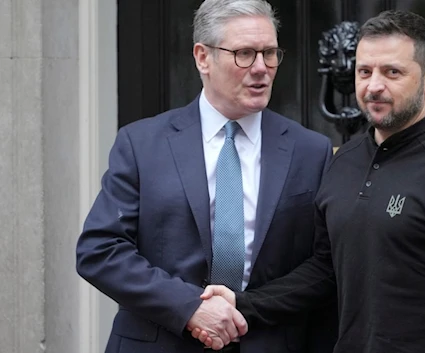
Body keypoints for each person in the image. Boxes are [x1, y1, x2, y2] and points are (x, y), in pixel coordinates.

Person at [197, 10, 425, 353]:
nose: (374, 86)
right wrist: (243, 303)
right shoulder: (343, 161)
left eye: (393, 72)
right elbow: (324, 270)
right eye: (364, 71)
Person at [75, 0, 336, 352]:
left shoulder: (311, 151)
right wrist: (190, 308)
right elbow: (100, 250)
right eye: (244, 53)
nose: (261, 68)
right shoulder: (141, 143)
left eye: (270, 53)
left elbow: (323, 267)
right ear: (202, 57)